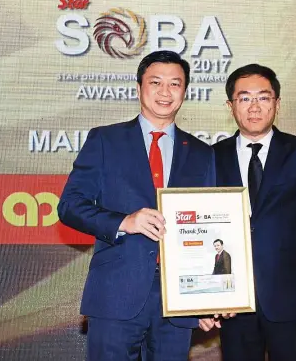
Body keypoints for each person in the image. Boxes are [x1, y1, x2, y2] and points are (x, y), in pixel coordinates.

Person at [57, 50, 215, 361]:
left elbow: (208, 228)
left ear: (185, 91)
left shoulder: (201, 152)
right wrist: (124, 222)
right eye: (156, 82)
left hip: (179, 300)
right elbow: (70, 206)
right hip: (116, 292)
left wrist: (207, 297)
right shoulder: (105, 140)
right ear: (139, 86)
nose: (165, 92)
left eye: (175, 84)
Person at [200, 64, 296, 361]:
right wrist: (205, 299)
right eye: (244, 98)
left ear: (276, 103)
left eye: (263, 98)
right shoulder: (211, 157)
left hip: (293, 303)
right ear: (230, 105)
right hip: (232, 303)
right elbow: (201, 232)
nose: (254, 107)